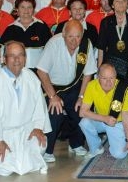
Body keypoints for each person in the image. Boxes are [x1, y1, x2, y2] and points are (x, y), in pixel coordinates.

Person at [0, 41, 51, 176]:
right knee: (3, 168)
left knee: (39, 144)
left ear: (25, 58)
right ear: (4, 59)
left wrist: (38, 127)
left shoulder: (30, 76)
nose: (17, 60)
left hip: (26, 130)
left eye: (20, 55)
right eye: (12, 56)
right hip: (2, 134)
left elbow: (39, 106)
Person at [37, 20, 98, 162]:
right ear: (63, 34)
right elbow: (41, 71)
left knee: (81, 110)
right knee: (55, 112)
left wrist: (82, 96)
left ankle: (76, 144)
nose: (74, 40)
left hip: (73, 86)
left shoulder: (86, 45)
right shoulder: (53, 43)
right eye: (70, 36)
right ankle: (48, 150)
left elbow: (88, 73)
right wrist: (53, 96)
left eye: (78, 36)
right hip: (52, 87)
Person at [78, 64, 128, 159]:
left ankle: (114, 140)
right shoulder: (91, 85)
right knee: (84, 122)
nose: (108, 82)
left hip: (116, 123)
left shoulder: (123, 89)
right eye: (104, 78)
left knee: (120, 155)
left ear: (116, 77)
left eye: (112, 78)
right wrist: (104, 118)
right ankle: (96, 147)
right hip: (101, 120)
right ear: (98, 77)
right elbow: (82, 112)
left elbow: (126, 116)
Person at [0, 0, 51, 69]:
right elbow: (3, 51)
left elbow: (49, 50)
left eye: (29, 7)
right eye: (22, 7)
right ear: (17, 10)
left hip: (38, 71)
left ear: (33, 9)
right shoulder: (10, 28)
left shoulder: (42, 26)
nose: (26, 10)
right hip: (16, 70)